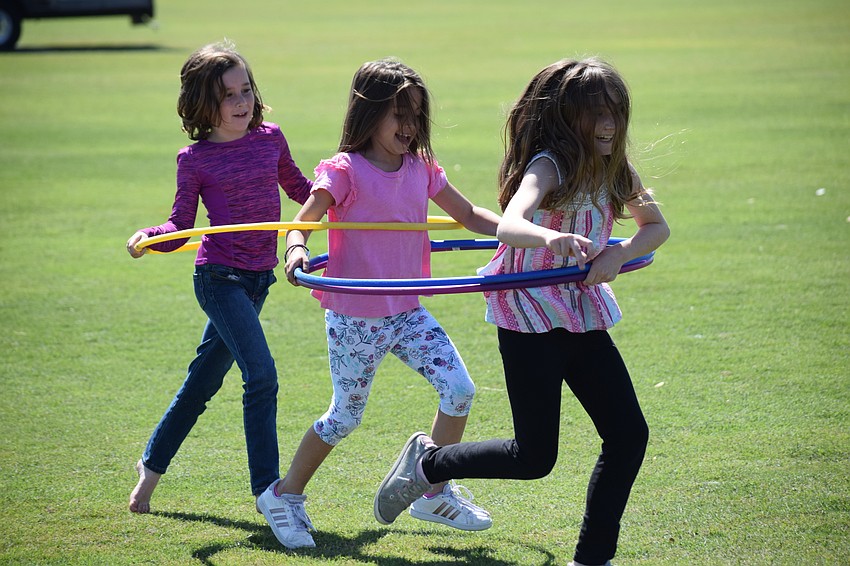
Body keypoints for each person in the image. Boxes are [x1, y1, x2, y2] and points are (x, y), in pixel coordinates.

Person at [374, 58, 671, 566]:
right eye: (595, 114)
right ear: (565, 116)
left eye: (616, 113)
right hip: (529, 317)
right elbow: (512, 220)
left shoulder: (616, 166)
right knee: (535, 458)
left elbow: (655, 227)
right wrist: (552, 237)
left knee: (628, 435)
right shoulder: (550, 165)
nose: (608, 125)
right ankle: (429, 463)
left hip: (581, 313)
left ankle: (591, 558)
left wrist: (618, 252)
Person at [258, 57, 502, 549]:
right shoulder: (346, 171)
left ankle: (431, 489)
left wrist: (528, 234)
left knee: (460, 390)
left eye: (416, 116)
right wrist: (298, 251)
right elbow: (302, 222)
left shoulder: (422, 170)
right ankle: (283, 495)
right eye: (399, 115)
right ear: (369, 115)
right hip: (355, 317)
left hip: (408, 312)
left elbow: (470, 215)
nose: (409, 127)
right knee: (345, 416)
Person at [124, 41, 313, 542]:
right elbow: (181, 226)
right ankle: (269, 491)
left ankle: (149, 467)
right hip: (219, 278)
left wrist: (345, 194)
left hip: (258, 280)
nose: (240, 101)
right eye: (227, 94)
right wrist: (151, 239)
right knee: (262, 376)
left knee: (202, 383)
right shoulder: (195, 159)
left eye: (246, 89)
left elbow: (301, 191)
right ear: (202, 104)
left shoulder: (270, 139)